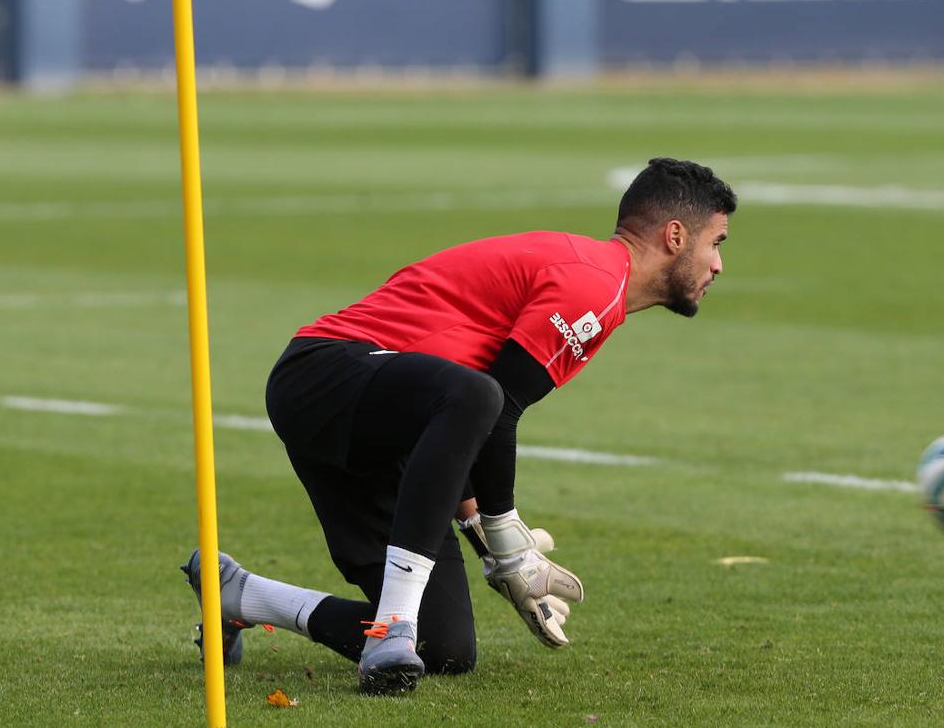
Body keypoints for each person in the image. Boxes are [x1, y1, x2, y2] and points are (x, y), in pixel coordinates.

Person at [182, 157, 737, 695]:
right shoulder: (594, 283)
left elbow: (467, 429)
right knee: (479, 396)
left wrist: (494, 545)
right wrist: (507, 547)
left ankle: (241, 596)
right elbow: (488, 409)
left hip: (385, 431)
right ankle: (393, 626)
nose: (717, 265)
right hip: (324, 373)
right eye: (716, 243)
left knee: (446, 650)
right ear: (674, 236)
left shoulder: (600, 292)